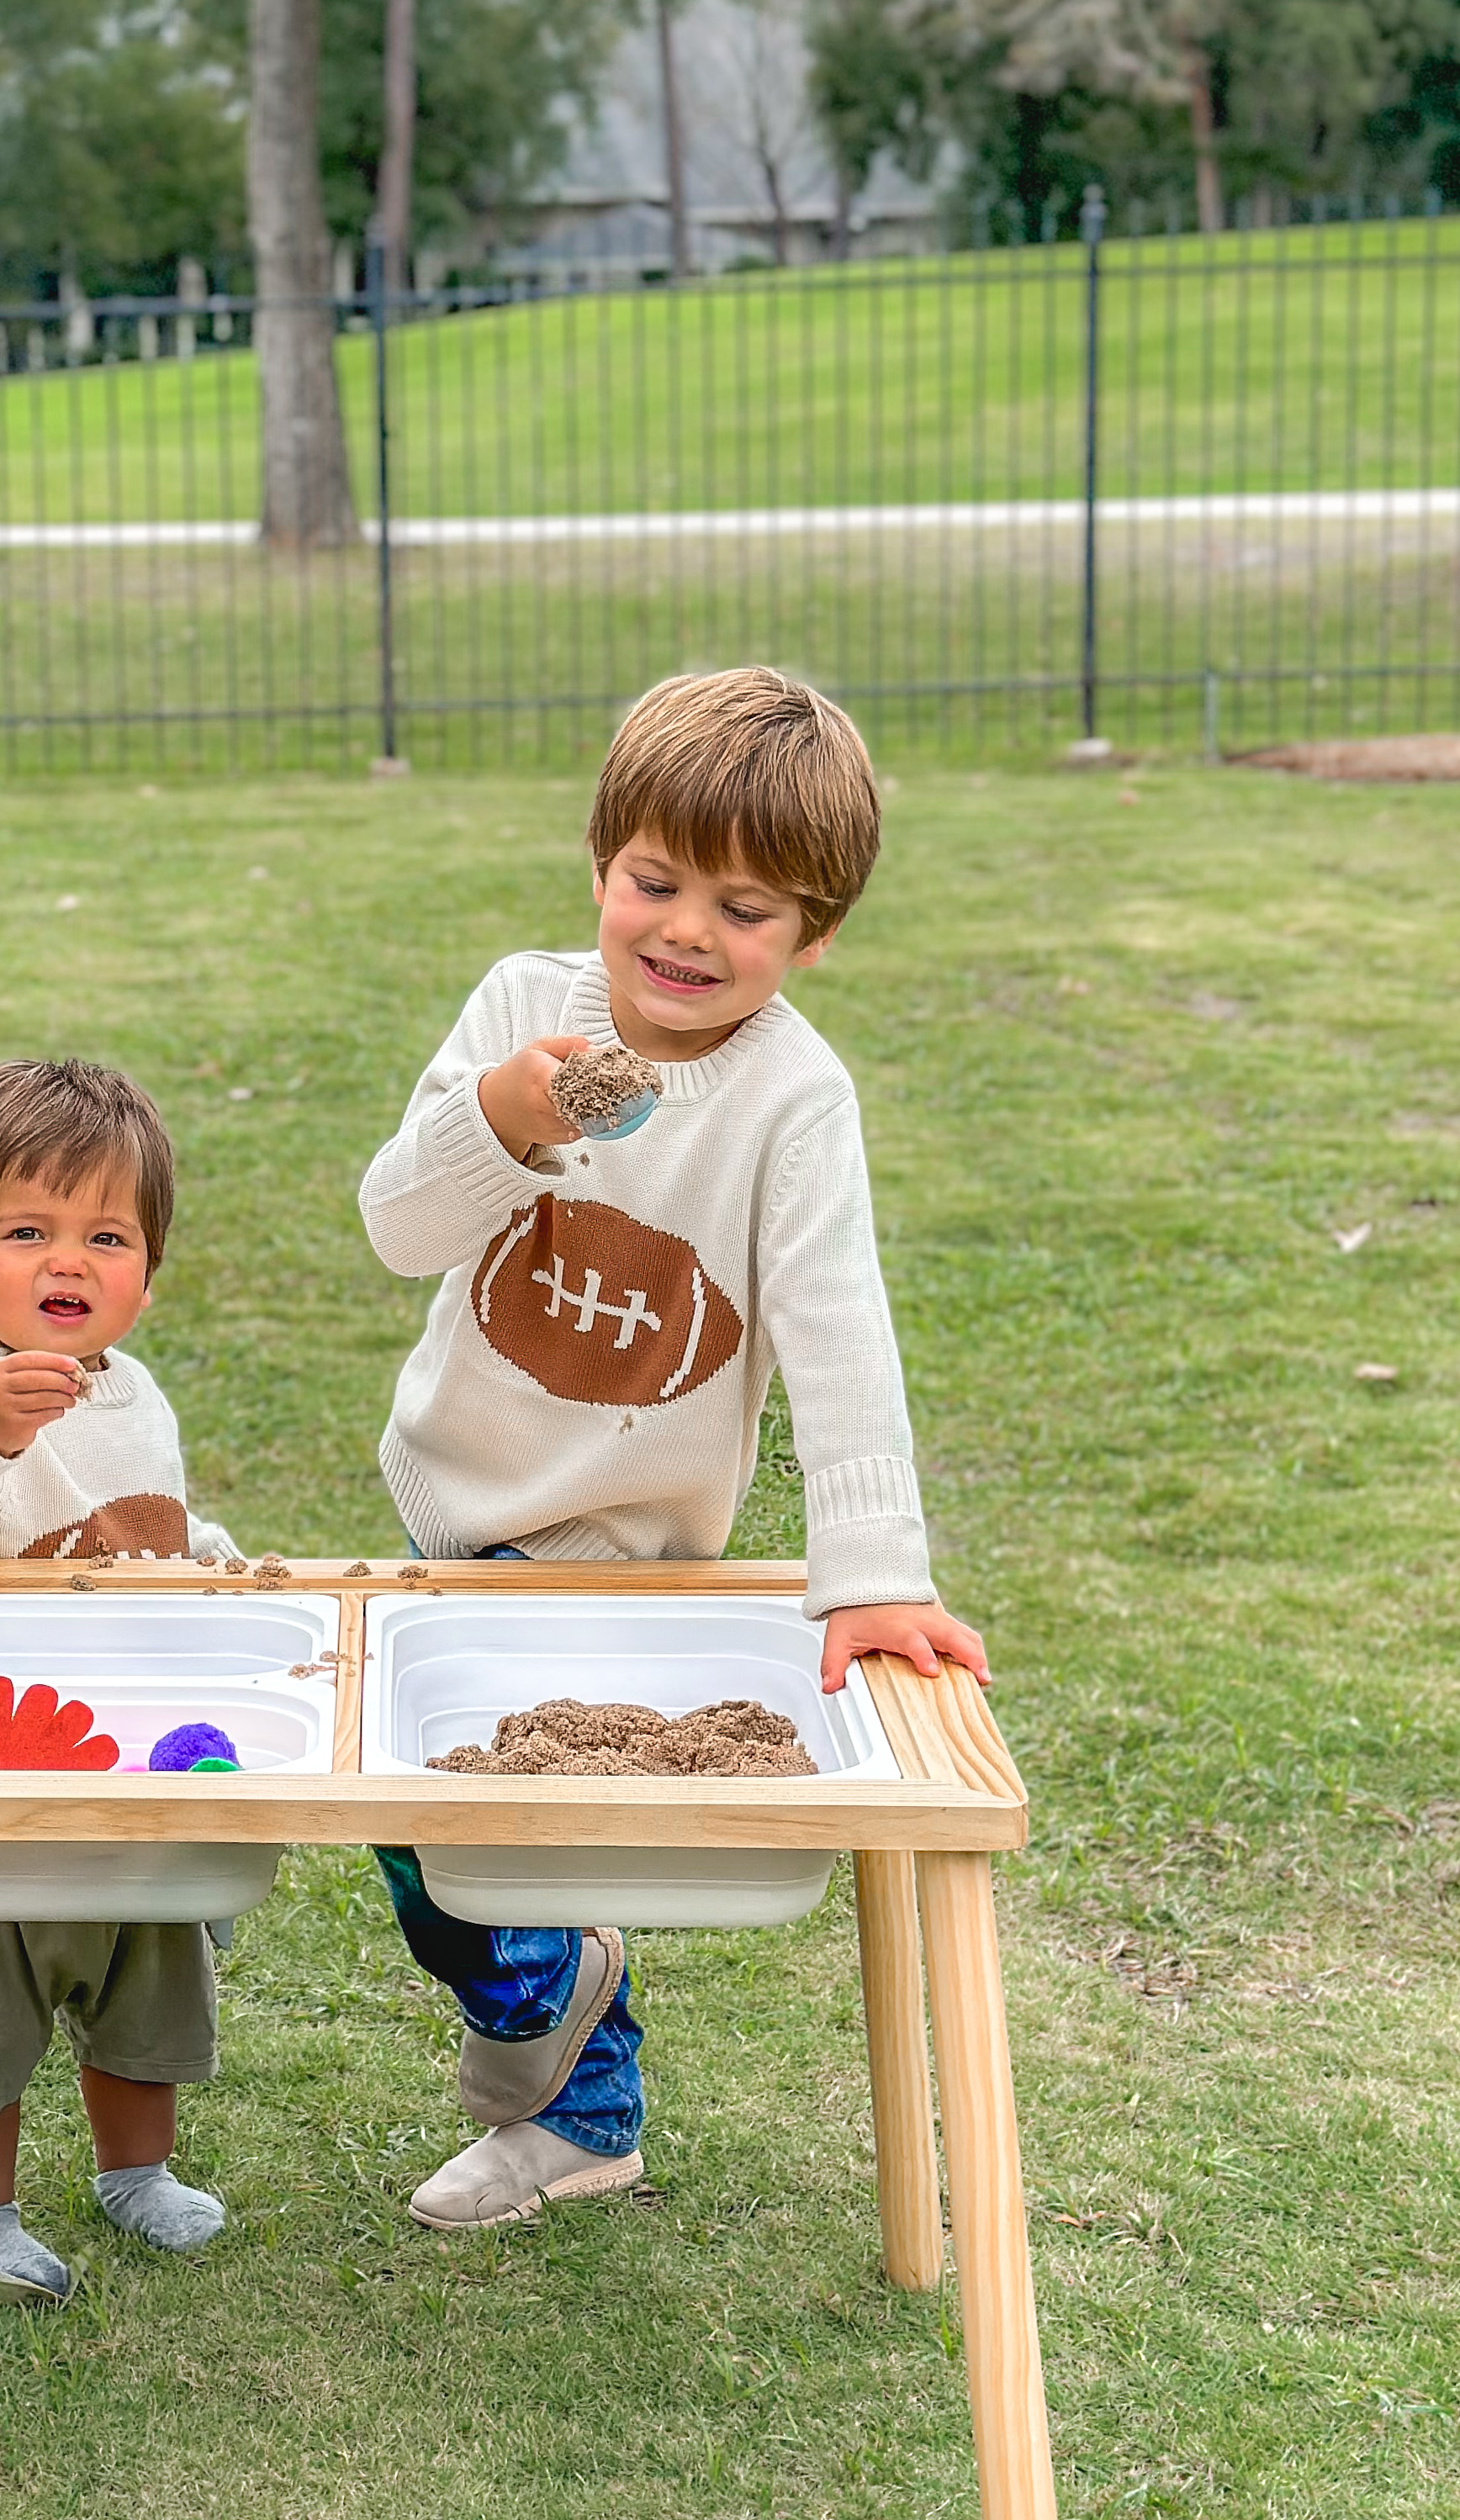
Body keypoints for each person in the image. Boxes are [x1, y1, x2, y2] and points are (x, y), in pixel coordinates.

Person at [358, 667, 989, 2232]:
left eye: (748, 909)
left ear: (815, 934)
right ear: (598, 863)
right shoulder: (521, 1009)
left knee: (497, 1842)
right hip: (456, 1500)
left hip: (623, 1543)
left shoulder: (793, 1099)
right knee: (417, 1833)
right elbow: (395, 1228)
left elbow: (841, 1333)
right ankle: (564, 2024)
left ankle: (575, 2092)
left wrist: (874, 1574)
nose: (688, 933)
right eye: (655, 881)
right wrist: (498, 1124)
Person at [0, 1057, 237, 2303]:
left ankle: (136, 2171)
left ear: (146, 1269)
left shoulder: (137, 1394)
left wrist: (223, 1565)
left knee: (151, 1962)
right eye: (27, 1231)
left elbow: (151, 1524)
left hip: (123, 1746)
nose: (66, 1262)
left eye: (105, 1236)